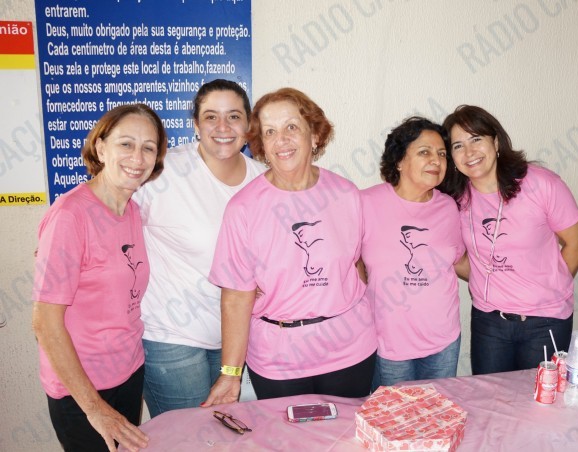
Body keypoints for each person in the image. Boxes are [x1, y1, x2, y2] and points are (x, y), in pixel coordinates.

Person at [203, 87, 377, 404]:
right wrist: (230, 374)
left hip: (349, 349)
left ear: (315, 136)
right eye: (270, 132)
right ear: (262, 145)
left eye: (291, 127)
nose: (280, 140)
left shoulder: (346, 194)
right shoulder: (243, 209)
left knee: (345, 432)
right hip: (279, 360)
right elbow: (236, 298)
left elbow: (357, 264)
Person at [32, 104, 167, 452]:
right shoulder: (70, 215)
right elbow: (45, 322)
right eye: (126, 144)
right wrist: (95, 409)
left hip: (128, 373)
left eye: (148, 147)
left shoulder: (132, 210)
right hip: (83, 391)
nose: (137, 157)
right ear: (101, 147)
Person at [133, 79, 265, 417]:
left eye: (233, 116)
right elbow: (109, 209)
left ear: (248, 125)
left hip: (239, 341)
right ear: (195, 124)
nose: (223, 127)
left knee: (229, 436)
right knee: (187, 437)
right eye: (210, 117)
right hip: (172, 339)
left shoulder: (263, 179)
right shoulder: (163, 172)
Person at [440, 105, 578, 375]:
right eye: (458, 146)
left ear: (496, 142)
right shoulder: (456, 198)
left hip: (545, 320)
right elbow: (457, 256)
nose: (469, 152)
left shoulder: (541, 184)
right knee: (490, 396)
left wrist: (549, 286)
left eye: (476, 139)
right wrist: (491, 280)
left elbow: (577, 242)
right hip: (489, 321)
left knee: (539, 397)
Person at [360, 117, 466, 387]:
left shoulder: (449, 207)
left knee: (437, 410)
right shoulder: (366, 203)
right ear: (399, 161)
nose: (436, 160)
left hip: (443, 340)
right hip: (387, 342)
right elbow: (344, 258)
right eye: (424, 152)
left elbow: (460, 260)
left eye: (441, 154)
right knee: (393, 413)